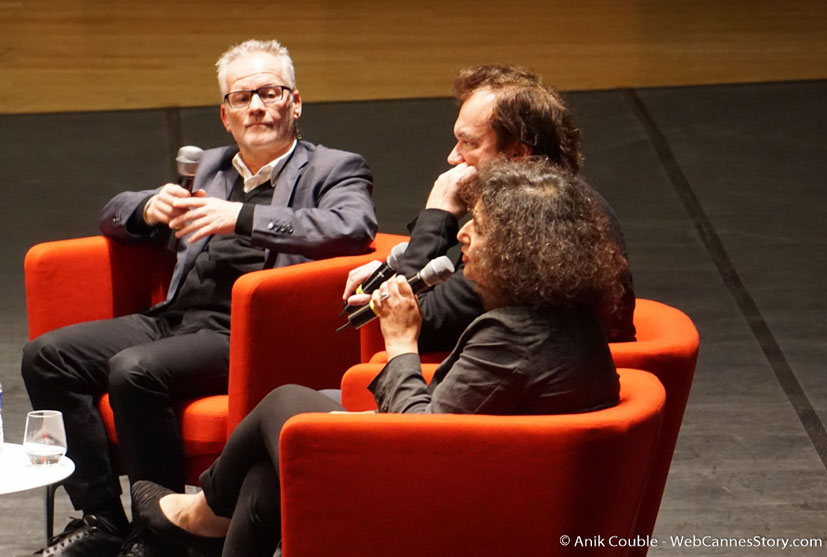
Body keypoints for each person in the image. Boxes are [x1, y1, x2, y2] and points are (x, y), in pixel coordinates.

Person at [131, 158, 625, 557]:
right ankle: (207, 517)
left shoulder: (513, 335)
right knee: (264, 480)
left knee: (284, 402)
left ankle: (204, 513)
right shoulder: (571, 321)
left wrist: (401, 342)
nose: (465, 235)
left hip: (447, 508)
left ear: (523, 250)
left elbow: (421, 440)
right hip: (501, 487)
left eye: (483, 227)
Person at [21, 39, 377, 557]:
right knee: (46, 357)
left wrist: (243, 218)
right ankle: (101, 518)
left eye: (269, 92)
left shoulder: (334, 168)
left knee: (134, 369)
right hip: (178, 318)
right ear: (225, 115)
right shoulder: (211, 167)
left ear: (294, 103)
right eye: (241, 98)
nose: (255, 106)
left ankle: (162, 534)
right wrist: (147, 208)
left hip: (250, 332)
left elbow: (351, 227)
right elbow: (112, 212)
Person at [343, 65, 635, 350]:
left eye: (468, 143)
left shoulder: (531, 227)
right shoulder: (559, 201)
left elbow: (418, 323)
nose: (453, 157)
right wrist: (391, 270)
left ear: (517, 154)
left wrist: (437, 214)